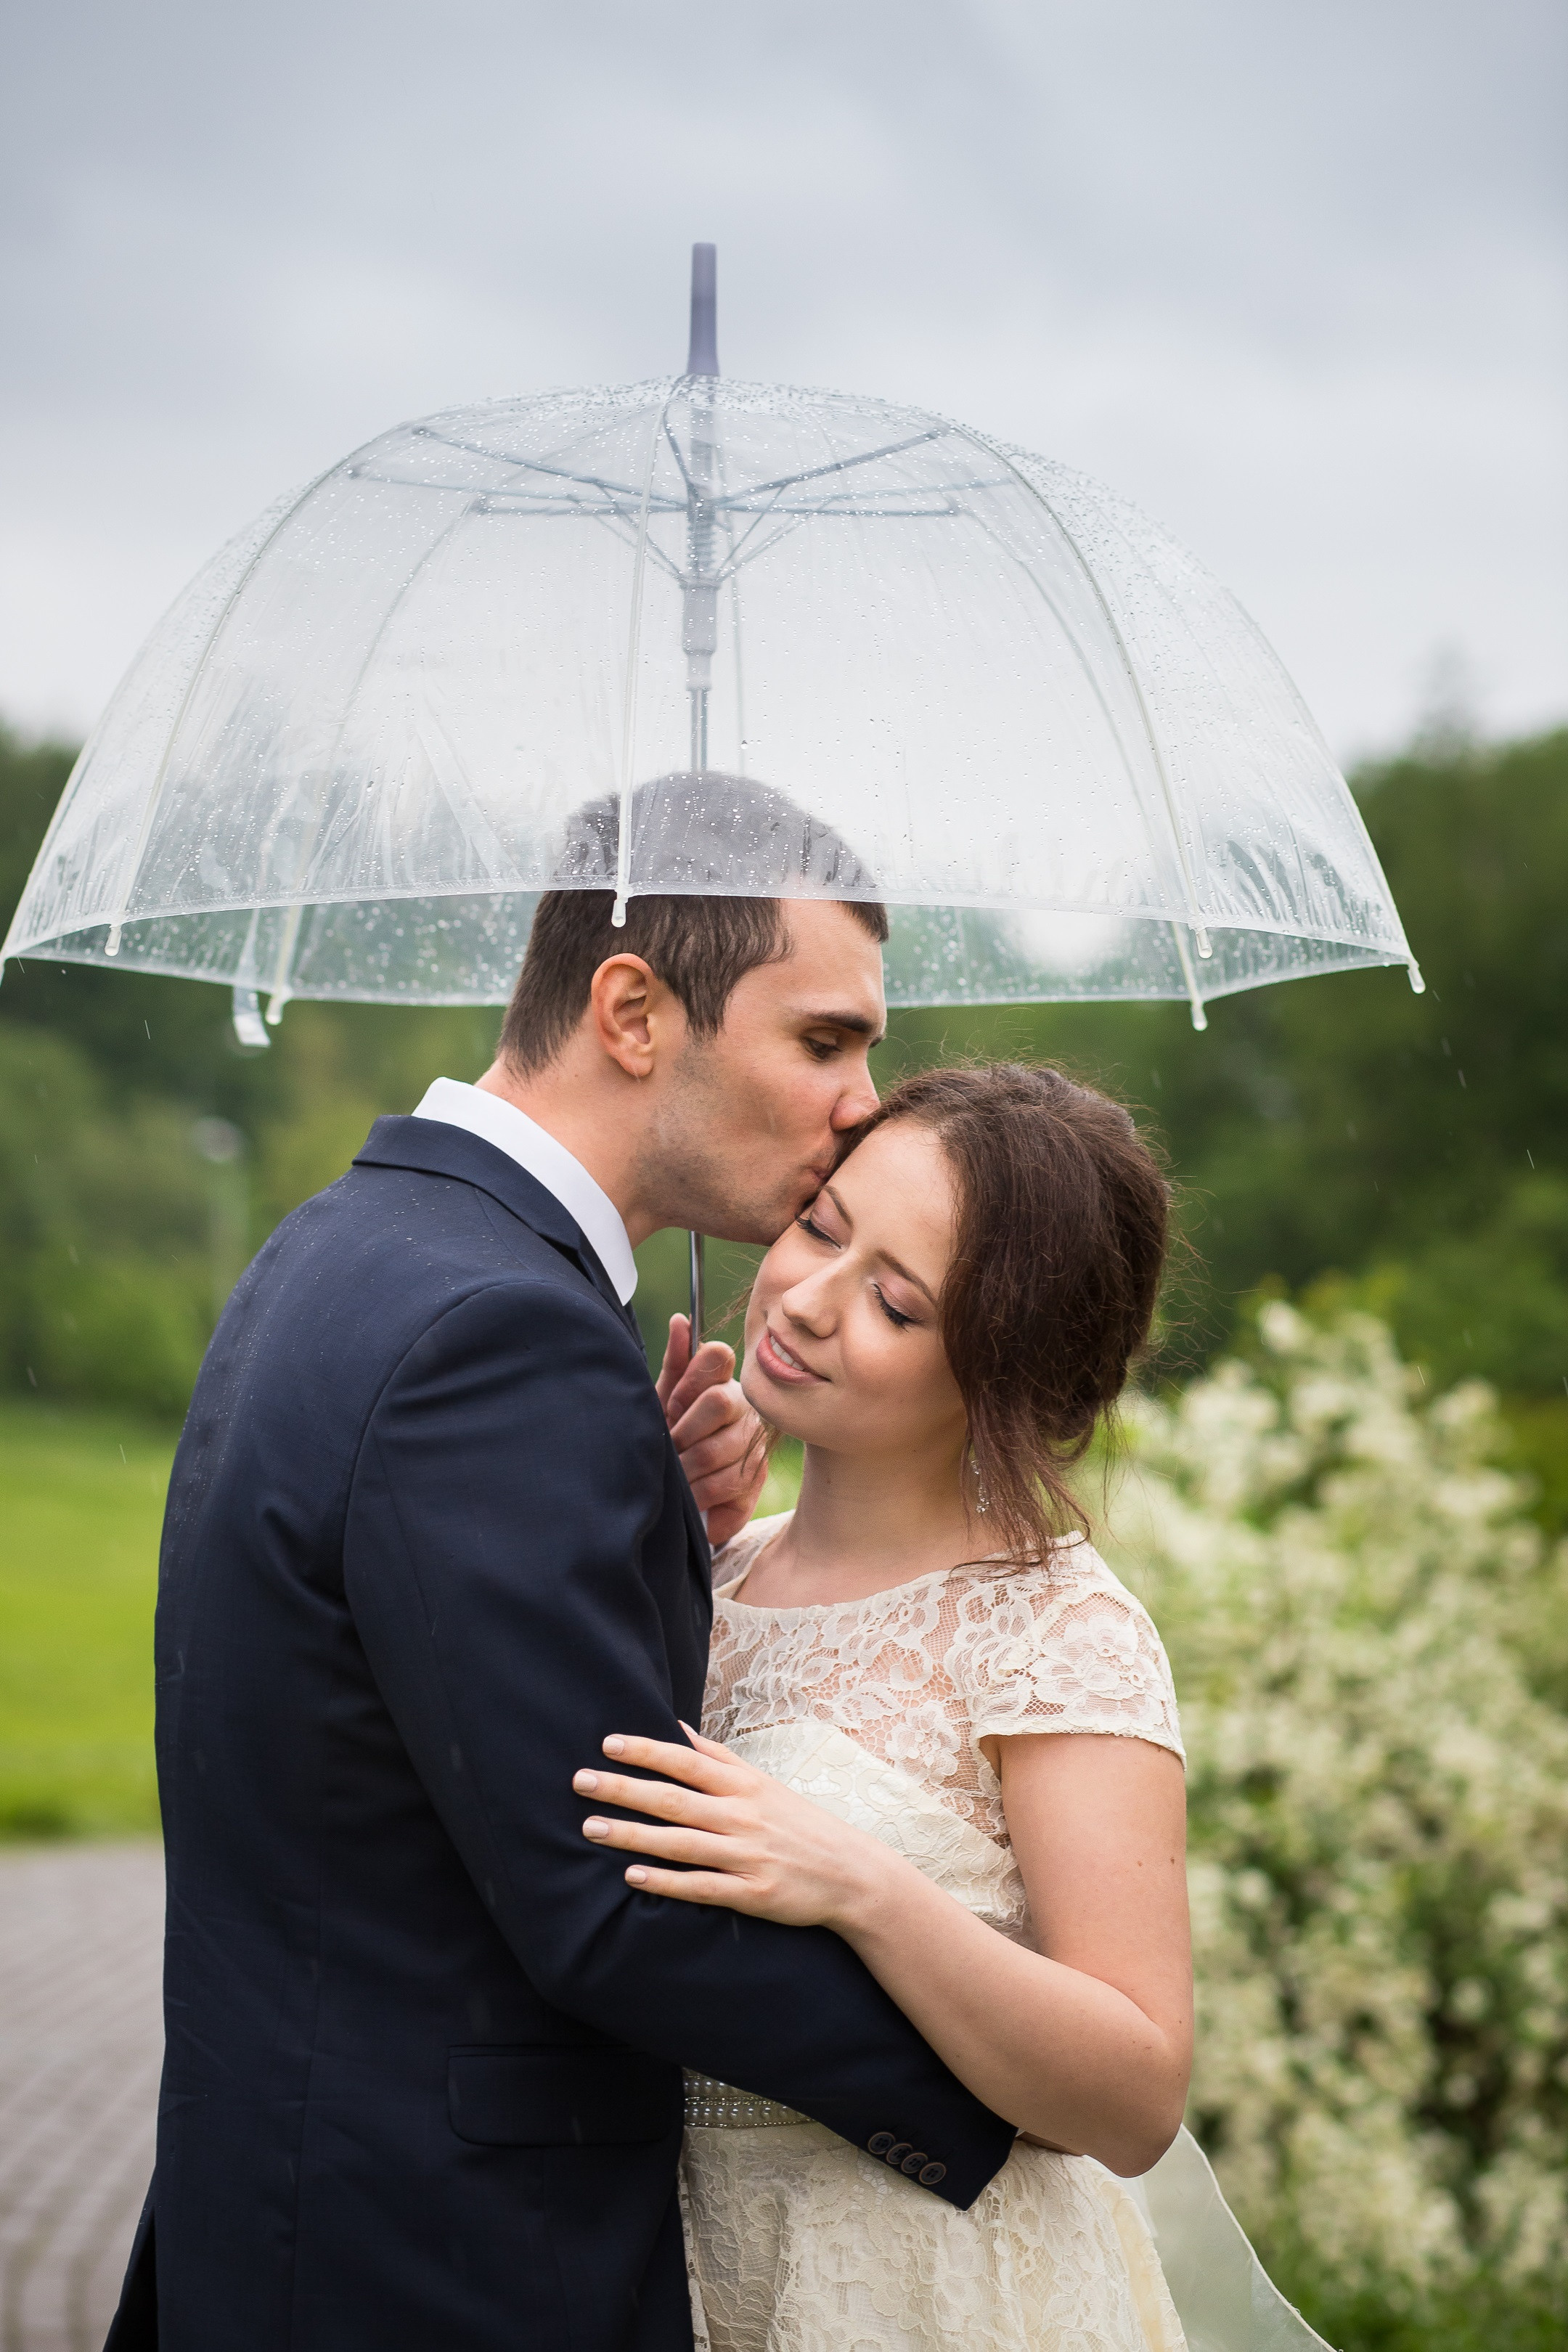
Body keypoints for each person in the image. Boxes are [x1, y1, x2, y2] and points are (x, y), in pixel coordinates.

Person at [104, 780, 1016, 2352]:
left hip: (287, 2216)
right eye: (824, 1039)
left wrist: (651, 1525)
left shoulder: (345, 1245)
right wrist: (1000, 2086)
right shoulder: (501, 1335)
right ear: (632, 1008)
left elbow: (388, 1709)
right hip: (448, 2270)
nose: (863, 1100)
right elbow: (609, 1901)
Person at [573, 1065, 1331, 2352]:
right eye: (822, 1225)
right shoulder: (716, 1567)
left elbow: (1137, 2093)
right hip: (688, 2278)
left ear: (1004, 1368)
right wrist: (642, 1528)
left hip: (937, 2295)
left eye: (895, 1302)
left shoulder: (1055, 1631)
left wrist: (862, 1886)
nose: (807, 1301)